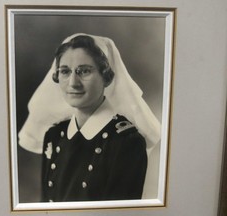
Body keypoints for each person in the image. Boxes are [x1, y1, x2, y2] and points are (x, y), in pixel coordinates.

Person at [18, 33, 161, 202]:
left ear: (106, 77)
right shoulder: (54, 135)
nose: (73, 83)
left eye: (84, 71)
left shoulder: (125, 142)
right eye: (65, 71)